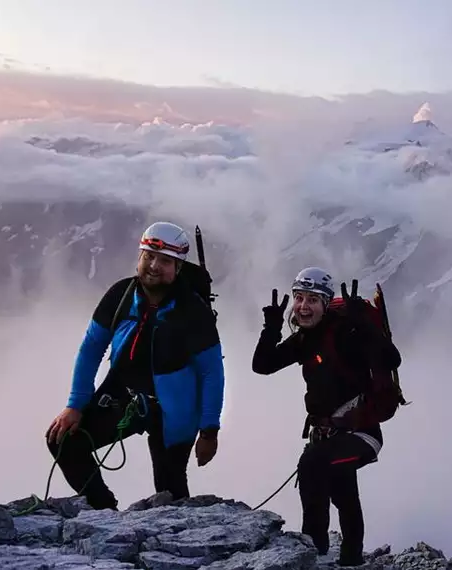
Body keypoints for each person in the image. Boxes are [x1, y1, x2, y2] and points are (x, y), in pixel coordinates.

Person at [45, 221, 225, 511]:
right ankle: (104, 512)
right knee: (64, 440)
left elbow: (211, 372)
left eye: (165, 261)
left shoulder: (193, 312)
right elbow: (91, 348)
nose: (154, 266)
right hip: (124, 394)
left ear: (178, 268)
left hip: (175, 409)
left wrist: (208, 432)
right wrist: (76, 405)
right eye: (148, 257)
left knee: (170, 492)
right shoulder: (121, 295)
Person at [251, 267, 402, 566]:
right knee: (343, 492)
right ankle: (351, 559)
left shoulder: (346, 334)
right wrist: (271, 327)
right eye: (299, 298)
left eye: (313, 300)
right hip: (328, 435)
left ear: (326, 303)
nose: (304, 307)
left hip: (362, 433)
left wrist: (364, 327)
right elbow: (263, 365)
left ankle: (315, 550)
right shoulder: (305, 339)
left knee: (312, 467)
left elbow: (391, 358)